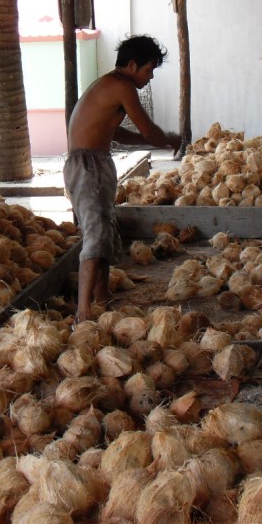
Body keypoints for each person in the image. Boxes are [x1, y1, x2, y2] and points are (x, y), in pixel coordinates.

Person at [65, 34, 182, 323]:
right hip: (86, 165)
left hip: (96, 161)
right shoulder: (121, 86)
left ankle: (102, 302)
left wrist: (154, 141)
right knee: (95, 235)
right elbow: (148, 128)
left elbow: (115, 132)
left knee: (104, 233)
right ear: (132, 65)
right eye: (149, 69)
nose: (150, 76)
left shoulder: (111, 86)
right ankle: (83, 311)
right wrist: (167, 139)